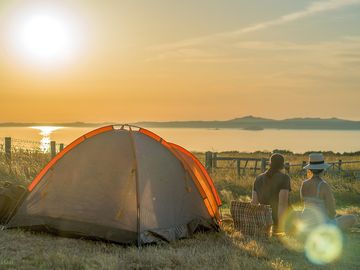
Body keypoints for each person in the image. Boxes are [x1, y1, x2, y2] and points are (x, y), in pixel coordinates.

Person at [300, 153, 357, 231]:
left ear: (310, 169)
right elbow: (332, 211)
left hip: (306, 223)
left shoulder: (304, 184)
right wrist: (334, 217)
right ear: (323, 169)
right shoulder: (323, 185)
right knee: (352, 218)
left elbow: (303, 202)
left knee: (339, 217)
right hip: (321, 225)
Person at [251, 153, 291, 231]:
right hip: (277, 219)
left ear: (270, 164)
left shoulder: (258, 178)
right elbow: (282, 204)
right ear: (282, 165)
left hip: (264, 219)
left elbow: (254, 203)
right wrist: (281, 225)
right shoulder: (285, 178)